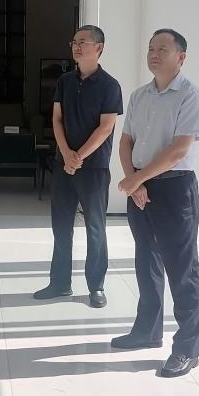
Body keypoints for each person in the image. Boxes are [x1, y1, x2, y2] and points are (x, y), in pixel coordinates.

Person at [113, 29, 199, 378]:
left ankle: (187, 349)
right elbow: (125, 142)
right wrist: (134, 179)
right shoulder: (139, 95)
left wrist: (137, 179)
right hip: (141, 184)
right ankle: (147, 331)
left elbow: (179, 150)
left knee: (182, 268)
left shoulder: (190, 96)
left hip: (174, 187)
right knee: (146, 259)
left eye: (162, 49)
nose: (153, 54)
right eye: (151, 48)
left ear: (181, 57)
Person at [34, 25, 122, 308]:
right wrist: (66, 154)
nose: (76, 46)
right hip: (63, 165)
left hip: (93, 167)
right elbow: (56, 119)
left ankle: (96, 286)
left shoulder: (110, 85)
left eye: (83, 42)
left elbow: (106, 127)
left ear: (99, 48)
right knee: (61, 227)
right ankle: (60, 283)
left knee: (95, 228)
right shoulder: (65, 81)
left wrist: (79, 156)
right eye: (74, 42)